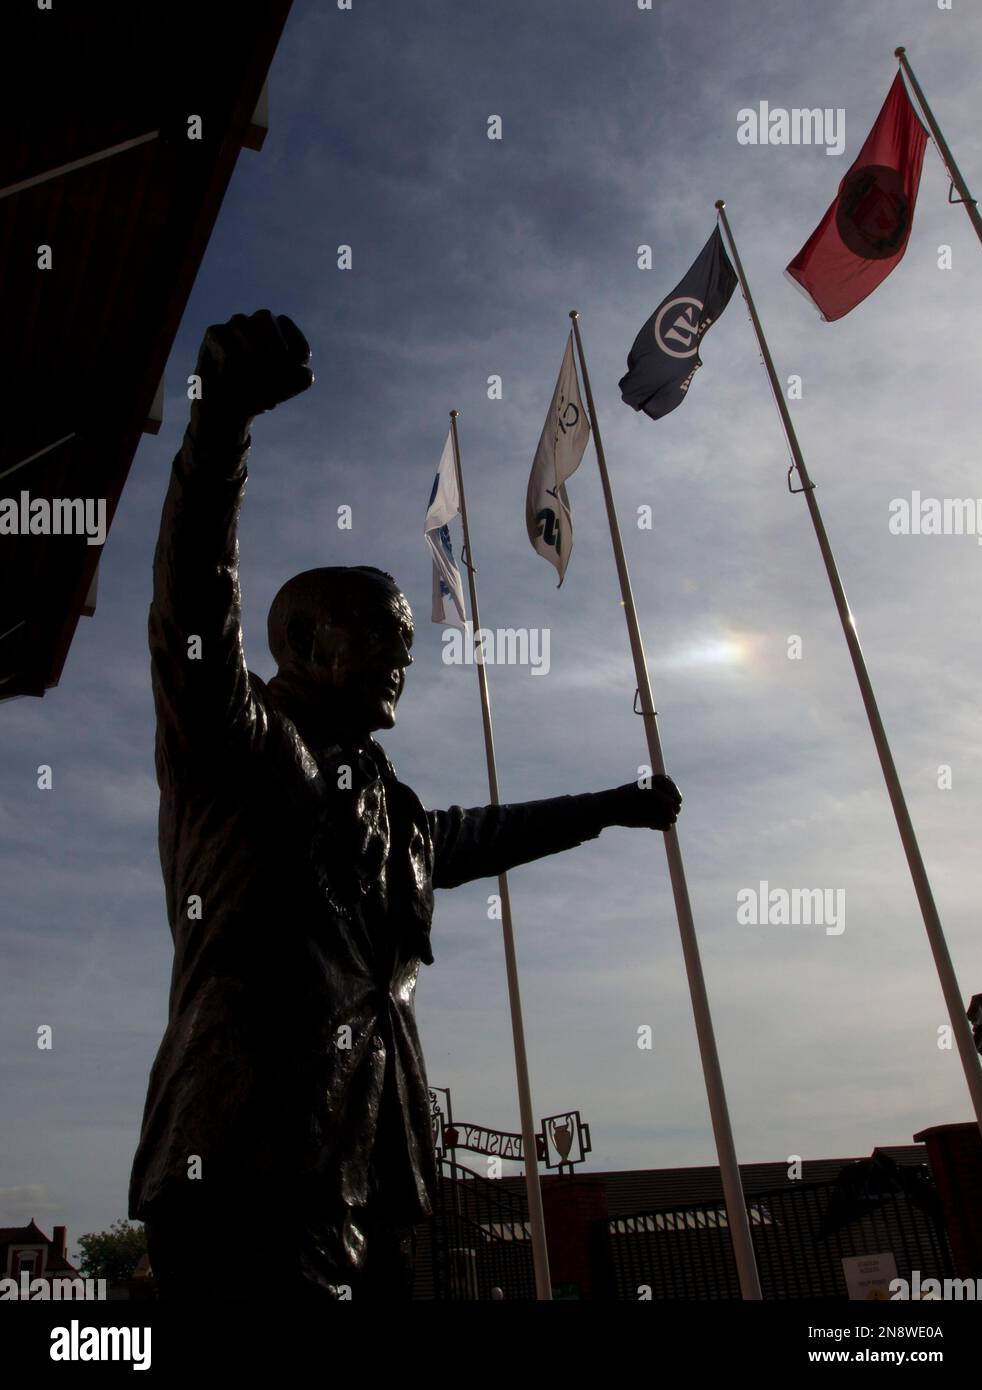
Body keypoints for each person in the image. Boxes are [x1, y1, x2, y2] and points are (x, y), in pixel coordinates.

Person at [129, 310, 682, 1300]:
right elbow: (189, 604)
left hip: (371, 1173)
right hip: (246, 1171)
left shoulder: (393, 807)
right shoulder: (242, 747)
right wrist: (221, 425)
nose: (405, 649)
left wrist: (612, 803)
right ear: (303, 642)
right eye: (383, 629)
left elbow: (478, 835)